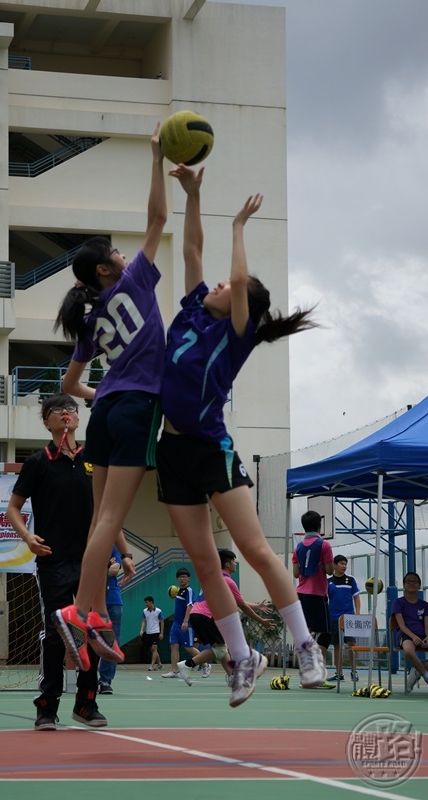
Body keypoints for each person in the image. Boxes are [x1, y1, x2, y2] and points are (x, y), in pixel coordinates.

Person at [156, 165, 326, 707]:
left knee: (253, 549)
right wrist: (195, 193)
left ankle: (305, 644)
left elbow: (235, 276)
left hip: (212, 448)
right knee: (206, 563)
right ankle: (242, 658)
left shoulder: (236, 335)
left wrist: (238, 228)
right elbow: (190, 251)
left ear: (241, 305)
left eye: (231, 285)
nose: (220, 283)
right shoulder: (190, 312)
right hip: (173, 448)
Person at [52, 124, 167, 669]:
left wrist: (105, 388)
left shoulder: (89, 318)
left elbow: (71, 386)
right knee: (107, 522)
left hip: (106, 412)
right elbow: (159, 221)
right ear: (105, 269)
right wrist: (157, 159)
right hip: (138, 406)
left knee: (103, 516)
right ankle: (79, 613)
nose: (126, 252)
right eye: (116, 252)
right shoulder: (135, 283)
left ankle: (93, 615)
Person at [7, 392, 133, 729]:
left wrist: (126, 552)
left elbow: (109, 512)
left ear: (78, 418)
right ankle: (47, 706)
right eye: (57, 410)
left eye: (71, 409)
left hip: (93, 561)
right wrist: (28, 537)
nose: (65, 414)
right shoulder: (38, 462)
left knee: (93, 632)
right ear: (47, 421)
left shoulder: (94, 458)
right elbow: (13, 509)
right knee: (55, 633)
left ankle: (86, 704)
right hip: (53, 562)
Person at [177, 549, 275, 686]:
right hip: (205, 616)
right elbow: (242, 606)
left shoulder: (213, 577)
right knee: (221, 649)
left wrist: (257, 606)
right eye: (234, 561)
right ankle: (187, 664)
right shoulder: (228, 581)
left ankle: (232, 676)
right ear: (228, 564)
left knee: (221, 646)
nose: (235, 564)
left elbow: (238, 601)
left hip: (198, 614)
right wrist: (262, 621)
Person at [292, 510, 334, 670]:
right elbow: (330, 570)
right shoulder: (324, 544)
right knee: (325, 633)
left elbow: (296, 573)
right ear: (319, 526)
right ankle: (316, 671)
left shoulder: (298, 547)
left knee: (306, 633)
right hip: (316, 595)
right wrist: (322, 565)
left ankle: (305, 669)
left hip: (301, 594)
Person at [391, 572, 428, 692]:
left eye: (415, 581)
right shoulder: (398, 602)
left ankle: (417, 671)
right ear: (404, 585)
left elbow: (427, 625)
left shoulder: (425, 605)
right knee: (409, 651)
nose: (411, 584)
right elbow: (401, 625)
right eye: (408, 581)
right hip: (407, 635)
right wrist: (413, 636)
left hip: (423, 636)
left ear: (419, 585)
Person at [162, 567, 201, 679]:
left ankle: (205, 664)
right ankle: (174, 671)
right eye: (180, 577)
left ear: (188, 578)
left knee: (189, 648)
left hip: (185, 625)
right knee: (174, 646)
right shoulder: (179, 591)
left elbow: (190, 605)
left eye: (184, 577)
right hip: (175, 624)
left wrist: (185, 621)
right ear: (177, 579)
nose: (182, 578)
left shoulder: (189, 591)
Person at [326, 555, 361, 682]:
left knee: (352, 644)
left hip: (349, 618)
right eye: (341, 563)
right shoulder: (328, 582)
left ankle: (354, 671)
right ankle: (339, 673)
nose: (344, 566)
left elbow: (356, 597)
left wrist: (357, 613)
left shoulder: (351, 580)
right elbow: (325, 599)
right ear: (334, 565)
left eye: (345, 564)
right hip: (334, 618)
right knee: (337, 646)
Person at [98, 547, 124, 695]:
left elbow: (115, 570)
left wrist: (101, 568)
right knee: (89, 639)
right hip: (93, 599)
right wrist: (106, 565)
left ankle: (105, 680)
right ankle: (86, 679)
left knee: (111, 642)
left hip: (113, 601)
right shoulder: (88, 545)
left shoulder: (112, 548)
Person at [139, 596, 164, 670]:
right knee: (153, 650)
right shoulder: (144, 611)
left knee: (154, 648)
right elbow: (144, 621)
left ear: (151, 602)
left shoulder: (158, 611)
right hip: (148, 632)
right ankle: (159, 664)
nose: (145, 604)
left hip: (155, 632)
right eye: (145, 602)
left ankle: (152, 665)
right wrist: (141, 630)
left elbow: (162, 621)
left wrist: (161, 633)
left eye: (147, 602)